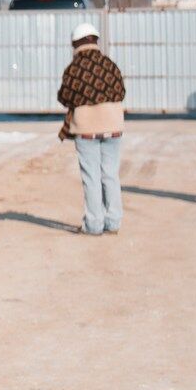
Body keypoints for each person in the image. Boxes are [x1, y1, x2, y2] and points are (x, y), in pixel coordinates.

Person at [56, 20, 126, 235]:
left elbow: (64, 97)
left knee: (91, 177)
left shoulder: (74, 69)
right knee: (110, 174)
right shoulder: (110, 64)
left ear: (76, 44)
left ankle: (94, 224)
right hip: (114, 127)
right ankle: (113, 222)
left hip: (86, 130)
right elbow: (121, 92)